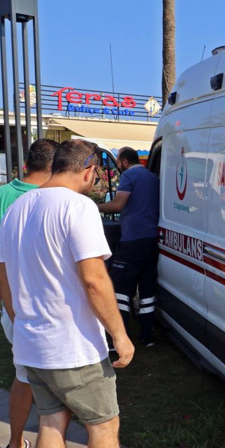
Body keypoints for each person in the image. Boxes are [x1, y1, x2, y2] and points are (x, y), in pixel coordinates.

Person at [0, 140, 167, 448]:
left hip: (33, 343)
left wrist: (22, 322)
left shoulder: (17, 207)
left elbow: (4, 277)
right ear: (89, 170)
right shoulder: (79, 207)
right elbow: (94, 280)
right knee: (103, 427)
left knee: (50, 424)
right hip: (73, 346)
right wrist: (120, 335)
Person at [0, 138, 82, 448]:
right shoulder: (59, 199)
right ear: (54, 167)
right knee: (59, 385)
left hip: (12, 307)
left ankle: (14, 444)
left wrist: (2, 290)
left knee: (24, 376)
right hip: (52, 310)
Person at [97, 147, 160, 347]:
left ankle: (120, 338)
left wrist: (93, 207)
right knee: (147, 290)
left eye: (118, 162)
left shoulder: (128, 176)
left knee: (120, 289)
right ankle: (147, 336)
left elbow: (117, 205)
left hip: (132, 240)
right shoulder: (153, 178)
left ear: (124, 162)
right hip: (152, 240)